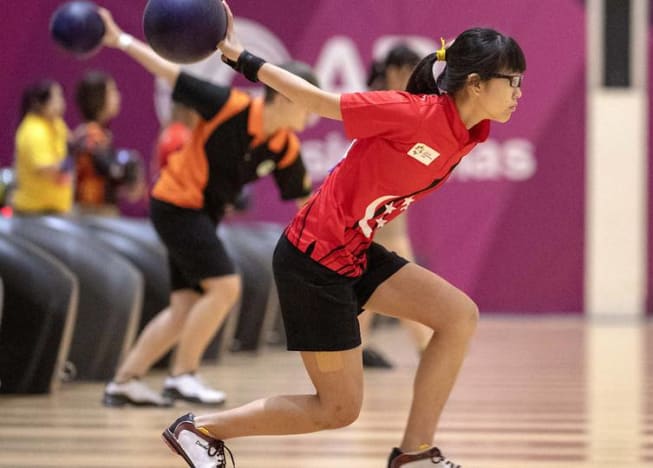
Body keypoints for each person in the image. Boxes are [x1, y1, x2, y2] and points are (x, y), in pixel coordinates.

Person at [161, 4, 525, 467]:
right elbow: (320, 103)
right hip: (312, 261)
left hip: (353, 251)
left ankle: (415, 453)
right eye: (511, 80)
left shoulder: (470, 132)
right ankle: (200, 431)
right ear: (475, 83)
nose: (518, 92)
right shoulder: (412, 112)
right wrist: (243, 59)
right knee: (337, 409)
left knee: (458, 317)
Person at [97, 9, 315, 408]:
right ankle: (182, 376)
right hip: (175, 204)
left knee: (183, 308)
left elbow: (308, 206)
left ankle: (123, 382)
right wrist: (120, 40)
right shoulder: (227, 105)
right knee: (224, 286)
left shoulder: (285, 147)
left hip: (201, 215)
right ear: (284, 95)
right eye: (306, 102)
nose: (312, 112)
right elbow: (169, 73)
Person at [360, 44, 432, 369]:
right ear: (395, 71)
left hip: (390, 211)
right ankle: (426, 347)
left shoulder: (405, 104)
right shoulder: (384, 104)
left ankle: (357, 348)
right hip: (377, 213)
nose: (416, 77)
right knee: (402, 283)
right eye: (410, 70)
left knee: (369, 288)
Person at [73, 70, 145, 215]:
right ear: (98, 98)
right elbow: (107, 168)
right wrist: (127, 169)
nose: (118, 96)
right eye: (112, 91)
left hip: (97, 213)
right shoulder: (91, 135)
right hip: (91, 215)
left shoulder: (99, 134)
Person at [12, 79, 73, 216]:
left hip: (56, 210)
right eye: (56, 97)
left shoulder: (57, 124)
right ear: (39, 103)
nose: (61, 102)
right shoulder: (33, 130)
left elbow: (71, 142)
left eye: (61, 96)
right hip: (34, 213)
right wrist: (70, 161)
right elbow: (45, 168)